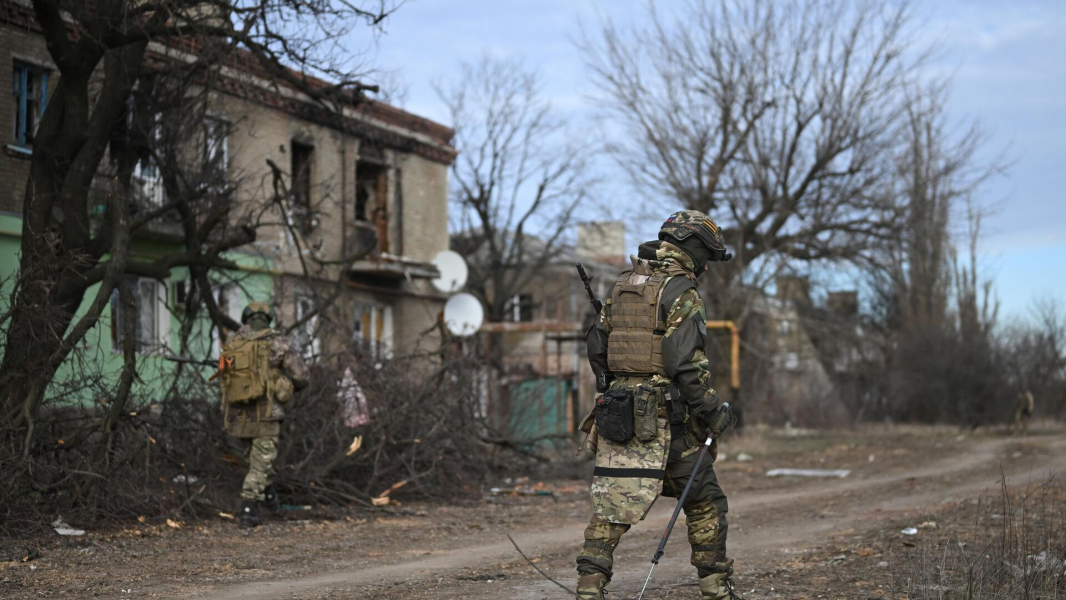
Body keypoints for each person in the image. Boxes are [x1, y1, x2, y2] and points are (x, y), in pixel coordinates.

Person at [576, 210, 741, 600]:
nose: (705, 265)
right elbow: (684, 365)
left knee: (613, 502)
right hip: (670, 421)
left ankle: (588, 586)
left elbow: (597, 346)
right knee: (705, 501)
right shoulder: (681, 291)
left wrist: (615, 387)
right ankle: (716, 587)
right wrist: (714, 411)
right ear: (695, 248)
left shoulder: (623, 285)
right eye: (706, 255)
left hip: (620, 414)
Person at [219, 301, 309, 529]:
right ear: (268, 318)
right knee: (260, 465)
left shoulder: (233, 342)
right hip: (267, 415)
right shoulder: (277, 341)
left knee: (258, 461)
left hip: (238, 416)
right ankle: (248, 510)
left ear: (245, 318)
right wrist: (284, 384)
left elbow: (224, 376)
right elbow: (301, 376)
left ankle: (271, 501)